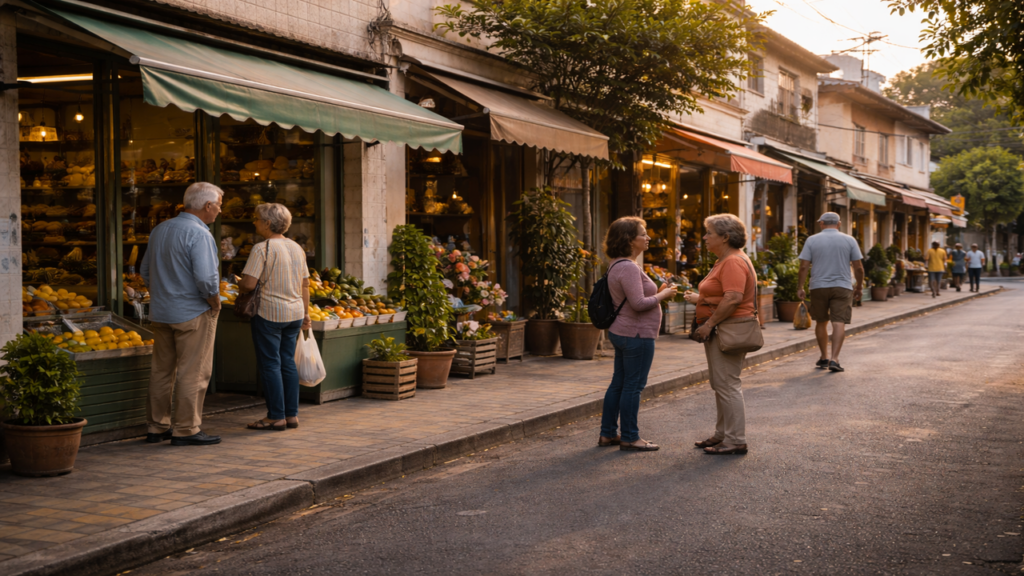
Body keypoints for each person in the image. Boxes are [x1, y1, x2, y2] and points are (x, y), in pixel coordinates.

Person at [140, 182, 223, 446]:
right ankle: (186, 429)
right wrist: (214, 302)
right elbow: (206, 279)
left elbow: (144, 271)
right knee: (194, 372)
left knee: (161, 371)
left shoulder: (160, 229)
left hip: (161, 311)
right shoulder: (200, 234)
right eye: (219, 205)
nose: (220, 210)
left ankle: (157, 426)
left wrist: (163, 292)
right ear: (207, 205)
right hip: (192, 311)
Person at [598, 217, 678, 452]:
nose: (648, 237)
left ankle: (608, 434)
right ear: (629, 239)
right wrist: (663, 296)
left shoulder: (617, 264)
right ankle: (630, 437)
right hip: (636, 334)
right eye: (643, 234)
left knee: (619, 384)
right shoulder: (628, 267)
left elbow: (634, 298)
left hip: (624, 331)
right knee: (633, 386)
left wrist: (659, 292)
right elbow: (639, 304)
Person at [682, 214, 756, 455]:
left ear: (725, 237)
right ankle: (723, 434)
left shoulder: (733, 261)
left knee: (727, 384)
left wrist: (709, 324)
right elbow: (725, 294)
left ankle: (735, 439)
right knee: (720, 383)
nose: (704, 237)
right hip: (723, 328)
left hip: (727, 328)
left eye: (709, 233)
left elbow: (733, 298)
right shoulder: (725, 260)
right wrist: (701, 299)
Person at [238, 204, 312, 431]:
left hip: (269, 313)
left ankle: (276, 417)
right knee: (287, 362)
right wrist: (306, 313)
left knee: (270, 364)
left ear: (267, 223)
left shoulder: (262, 249)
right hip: (295, 313)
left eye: (256, 219)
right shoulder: (296, 247)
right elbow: (305, 284)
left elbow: (249, 284)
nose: (254, 222)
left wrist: (239, 283)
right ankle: (291, 415)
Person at [796, 212, 864, 373]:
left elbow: (804, 266)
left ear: (821, 224)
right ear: (839, 224)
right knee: (838, 321)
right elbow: (859, 268)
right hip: (842, 286)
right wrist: (859, 287)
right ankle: (834, 359)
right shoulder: (849, 240)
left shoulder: (812, 240)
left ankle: (824, 357)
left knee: (821, 321)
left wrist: (800, 287)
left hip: (818, 286)